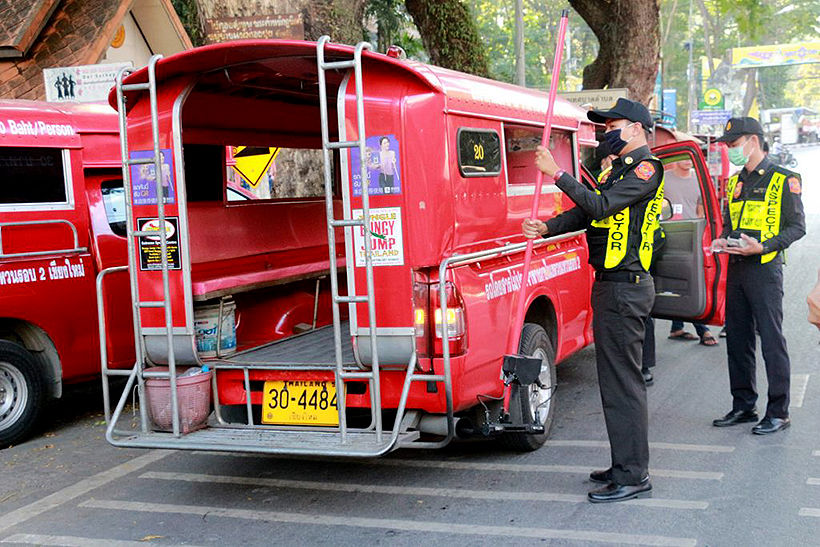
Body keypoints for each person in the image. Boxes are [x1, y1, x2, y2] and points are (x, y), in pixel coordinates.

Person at [523, 98, 664, 503]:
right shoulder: (617, 171)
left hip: (627, 286)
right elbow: (589, 215)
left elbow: (600, 205)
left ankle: (634, 474)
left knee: (624, 384)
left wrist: (557, 174)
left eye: (612, 125)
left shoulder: (646, 169)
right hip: (611, 285)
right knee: (614, 382)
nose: (605, 133)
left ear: (636, 128)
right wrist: (546, 226)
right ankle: (624, 464)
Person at [711, 117, 805, 435]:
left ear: (753, 141)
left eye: (734, 145)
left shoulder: (784, 179)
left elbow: (797, 227)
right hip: (737, 269)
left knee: (771, 341)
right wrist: (723, 240)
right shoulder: (737, 182)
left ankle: (779, 411)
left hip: (765, 270)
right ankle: (743, 405)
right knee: (737, 340)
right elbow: (730, 221)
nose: (731, 151)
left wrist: (763, 246)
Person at [663, 159, 717, 346]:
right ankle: (703, 330)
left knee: (688, 282)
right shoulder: (664, 179)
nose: (687, 161)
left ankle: (677, 327)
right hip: (670, 236)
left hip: (692, 236)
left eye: (690, 159)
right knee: (687, 282)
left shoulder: (698, 179)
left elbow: (701, 207)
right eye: (684, 158)